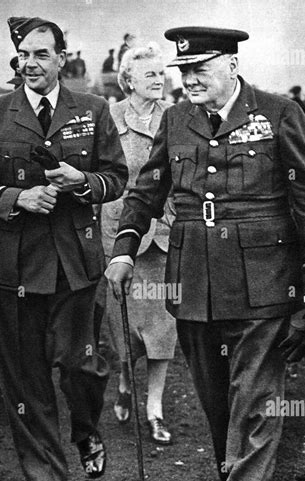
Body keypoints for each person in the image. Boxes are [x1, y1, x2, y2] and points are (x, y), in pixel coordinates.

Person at [106, 27, 305, 481]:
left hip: (263, 283)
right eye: (181, 72)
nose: (188, 81)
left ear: (232, 65)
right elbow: (149, 188)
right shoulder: (176, 118)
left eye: (200, 69)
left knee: (255, 406)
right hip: (194, 283)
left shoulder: (278, 113)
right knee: (218, 409)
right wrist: (123, 247)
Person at [0, 16, 128, 481]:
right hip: (13, 269)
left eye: (40, 55)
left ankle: (85, 428)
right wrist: (14, 196)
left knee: (83, 364)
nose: (30, 64)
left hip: (78, 264)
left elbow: (116, 178)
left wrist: (83, 181)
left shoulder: (93, 111)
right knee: (25, 379)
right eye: (23, 56)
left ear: (61, 59)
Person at [101, 43, 177, 445]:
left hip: (165, 234)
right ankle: (126, 380)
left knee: (164, 326)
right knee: (123, 326)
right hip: (121, 236)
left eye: (162, 73)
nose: (159, 80)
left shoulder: (176, 117)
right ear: (128, 79)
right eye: (150, 74)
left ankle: (155, 410)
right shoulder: (109, 117)